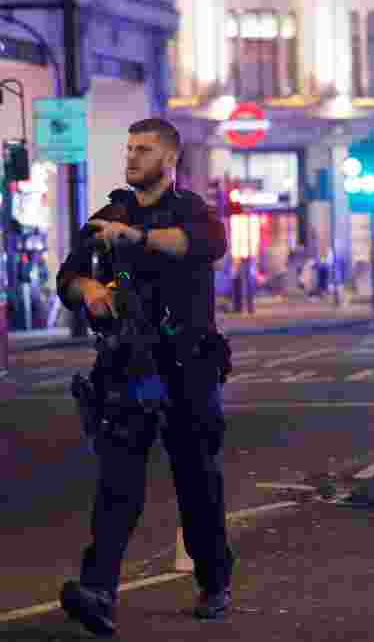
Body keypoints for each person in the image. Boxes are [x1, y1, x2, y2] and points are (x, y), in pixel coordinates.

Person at [55, 118, 234, 636]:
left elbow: (202, 245)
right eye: (129, 147)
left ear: (169, 158)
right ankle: (98, 591)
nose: (132, 156)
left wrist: (132, 237)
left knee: (198, 482)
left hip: (187, 367)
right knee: (118, 482)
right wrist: (87, 288)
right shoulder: (108, 213)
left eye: (144, 149)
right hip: (129, 367)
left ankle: (214, 579)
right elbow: (67, 275)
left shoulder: (192, 212)